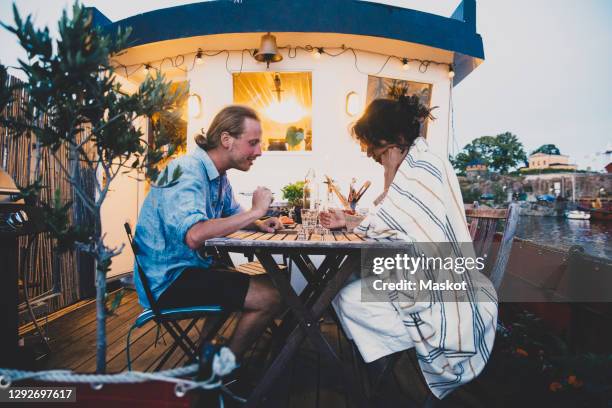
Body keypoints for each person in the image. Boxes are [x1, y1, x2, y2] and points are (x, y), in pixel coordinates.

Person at [320, 96, 498, 401]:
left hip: (448, 292)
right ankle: (387, 375)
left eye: (374, 146)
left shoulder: (425, 165)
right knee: (344, 287)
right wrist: (351, 222)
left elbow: (396, 224)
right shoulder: (415, 165)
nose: (369, 153)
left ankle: (391, 382)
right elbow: (395, 222)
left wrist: (386, 179)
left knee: (348, 296)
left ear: (396, 139)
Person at [133, 105, 282, 361]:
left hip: (191, 270)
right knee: (270, 296)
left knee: (275, 280)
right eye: (253, 143)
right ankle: (222, 370)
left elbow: (233, 213)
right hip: (168, 282)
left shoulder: (218, 175)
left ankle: (205, 355)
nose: (258, 151)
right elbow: (194, 235)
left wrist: (258, 223)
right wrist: (255, 212)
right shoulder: (187, 171)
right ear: (226, 140)